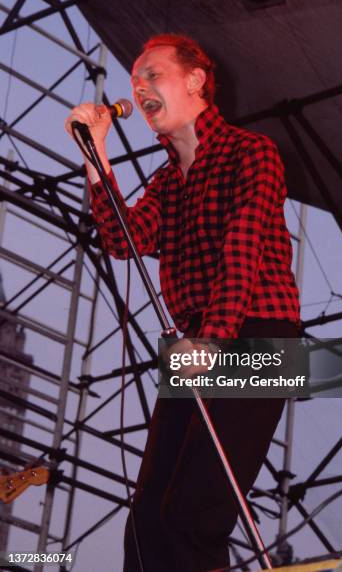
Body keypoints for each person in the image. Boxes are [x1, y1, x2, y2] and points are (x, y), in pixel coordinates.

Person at [65, 33, 300, 572]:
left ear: (195, 81)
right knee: (148, 518)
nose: (139, 87)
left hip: (261, 337)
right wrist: (95, 152)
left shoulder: (252, 152)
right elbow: (124, 239)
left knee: (196, 512)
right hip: (200, 339)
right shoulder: (169, 182)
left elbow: (241, 253)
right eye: (133, 81)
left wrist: (212, 342)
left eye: (153, 74)